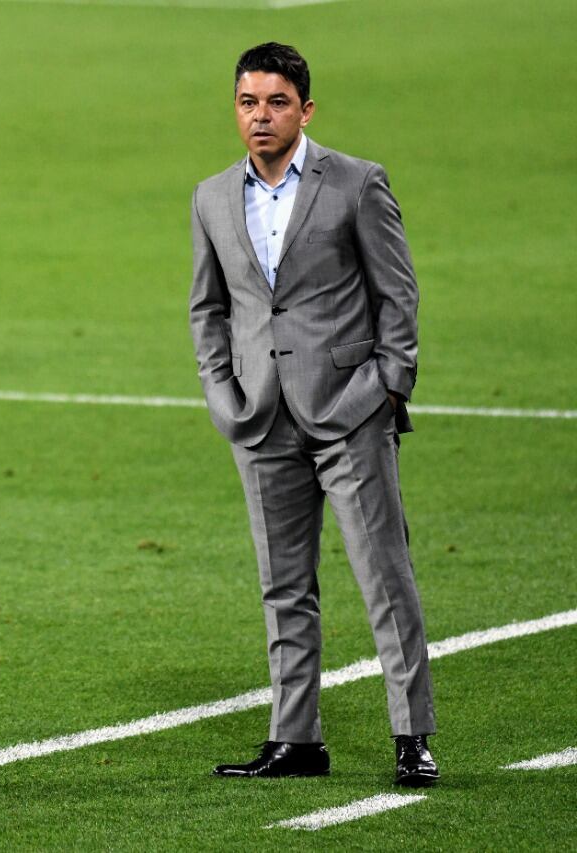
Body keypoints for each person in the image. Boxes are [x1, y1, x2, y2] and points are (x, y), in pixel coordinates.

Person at [188, 42, 438, 787]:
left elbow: (398, 294)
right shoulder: (210, 197)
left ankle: (412, 735)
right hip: (261, 420)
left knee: (384, 576)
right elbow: (207, 308)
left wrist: (388, 388)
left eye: (276, 102)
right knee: (283, 586)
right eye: (248, 103)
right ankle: (296, 738)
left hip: (349, 411)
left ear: (306, 109)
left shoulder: (357, 182)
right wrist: (222, 395)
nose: (260, 116)